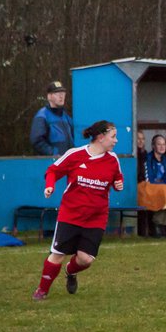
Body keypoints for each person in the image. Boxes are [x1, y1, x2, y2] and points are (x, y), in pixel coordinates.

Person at [32, 120, 124, 300]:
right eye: (113, 137)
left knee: (86, 259)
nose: (116, 141)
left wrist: (118, 184)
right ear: (100, 137)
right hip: (71, 215)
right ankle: (42, 291)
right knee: (57, 254)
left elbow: (117, 179)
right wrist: (49, 186)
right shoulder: (75, 155)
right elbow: (52, 171)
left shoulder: (113, 160)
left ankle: (70, 271)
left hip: (96, 217)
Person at [29, 80, 75, 156]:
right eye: (57, 93)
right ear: (49, 96)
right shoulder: (42, 116)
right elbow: (37, 141)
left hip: (67, 163)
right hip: (51, 163)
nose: (61, 96)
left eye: (63, 93)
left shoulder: (67, 117)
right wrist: (54, 154)